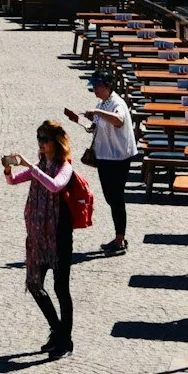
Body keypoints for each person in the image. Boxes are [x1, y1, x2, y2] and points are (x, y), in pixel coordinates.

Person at [2, 119, 81, 354]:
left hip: (59, 237)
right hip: (37, 238)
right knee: (34, 284)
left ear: (55, 143)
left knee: (60, 289)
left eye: (44, 140)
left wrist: (31, 167)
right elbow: (13, 180)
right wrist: (8, 168)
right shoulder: (40, 166)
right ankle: (57, 331)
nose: (40, 144)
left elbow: (55, 186)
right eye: (38, 139)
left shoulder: (64, 167)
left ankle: (65, 339)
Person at [69, 76, 137, 254]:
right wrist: (87, 121)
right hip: (105, 156)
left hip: (119, 157)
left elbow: (118, 120)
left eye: (97, 87)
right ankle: (119, 236)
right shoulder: (101, 104)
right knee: (110, 197)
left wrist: (97, 113)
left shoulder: (116, 103)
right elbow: (98, 126)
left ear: (107, 85)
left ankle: (120, 238)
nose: (95, 91)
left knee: (116, 197)